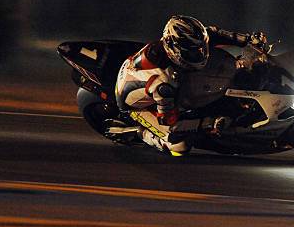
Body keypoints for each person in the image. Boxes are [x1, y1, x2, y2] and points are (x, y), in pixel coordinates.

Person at [113, 15, 267, 155]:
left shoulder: (185, 41)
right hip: (139, 105)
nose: (201, 54)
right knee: (179, 146)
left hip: (144, 76)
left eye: (202, 49)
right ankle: (138, 133)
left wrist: (247, 40)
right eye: (194, 53)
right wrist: (207, 123)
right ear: (174, 50)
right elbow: (170, 122)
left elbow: (212, 32)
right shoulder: (164, 83)